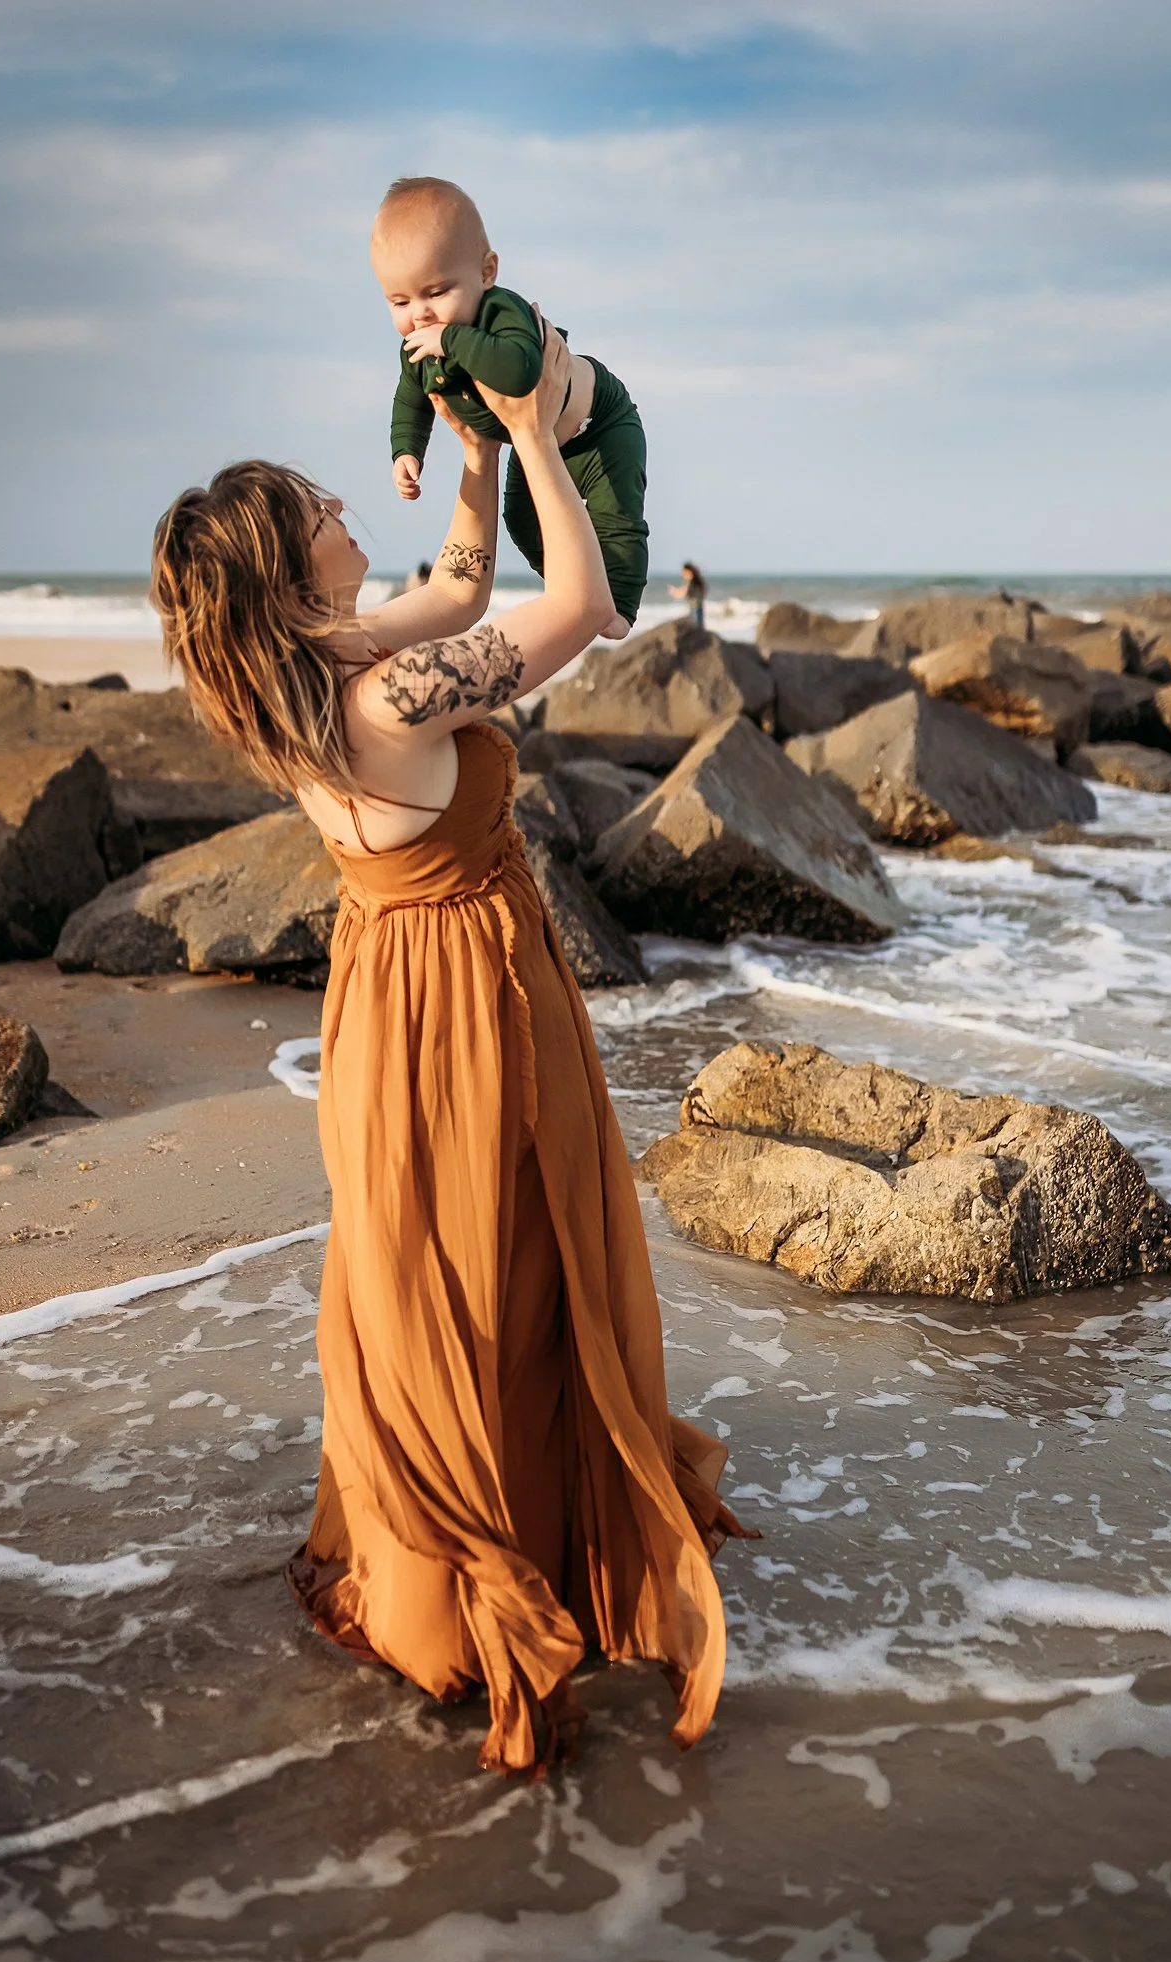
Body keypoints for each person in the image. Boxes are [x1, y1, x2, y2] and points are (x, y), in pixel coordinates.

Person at [150, 321, 753, 1777]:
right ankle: (525, 1566)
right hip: (472, 996)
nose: (355, 510)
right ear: (296, 571)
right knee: (510, 1262)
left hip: (387, 993)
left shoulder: (318, 674)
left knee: (431, 1272)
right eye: (324, 513)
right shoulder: (389, 692)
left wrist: (471, 446)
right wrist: (545, 429)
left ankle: (477, 1527)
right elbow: (586, 600)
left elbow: (468, 582)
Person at [373, 176, 648, 644]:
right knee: (521, 519)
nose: (420, 315)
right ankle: (573, 582)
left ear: (486, 272)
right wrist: (406, 451)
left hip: (599, 424)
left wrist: (452, 339)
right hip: (528, 440)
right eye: (401, 301)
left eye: (437, 293)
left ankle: (618, 602)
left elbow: (521, 373)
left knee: (616, 515)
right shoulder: (419, 345)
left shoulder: (502, 313)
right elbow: (410, 399)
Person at [670, 562, 708, 629]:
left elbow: (684, 591)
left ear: (689, 572)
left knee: (696, 628)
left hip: (695, 608)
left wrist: (675, 592)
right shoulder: (696, 581)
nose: (683, 574)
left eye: (684, 572)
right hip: (698, 607)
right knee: (699, 627)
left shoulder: (692, 582)